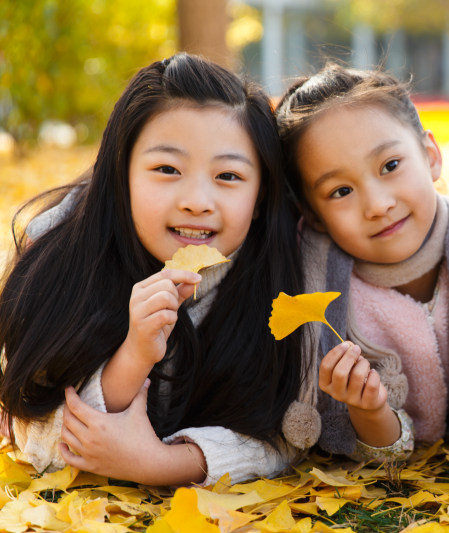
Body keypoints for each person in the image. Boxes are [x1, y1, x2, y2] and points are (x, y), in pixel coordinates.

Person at [0, 53, 311, 486]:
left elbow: (286, 431)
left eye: (228, 176)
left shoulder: (282, 274)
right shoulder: (64, 260)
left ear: (260, 197)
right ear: (120, 175)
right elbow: (34, 433)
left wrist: (161, 464)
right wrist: (134, 355)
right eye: (167, 169)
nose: (197, 200)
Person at [274, 64, 449, 460]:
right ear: (310, 213)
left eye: (390, 166)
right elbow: (382, 451)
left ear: (430, 156)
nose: (378, 205)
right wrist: (369, 411)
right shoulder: (317, 294)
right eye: (341, 191)